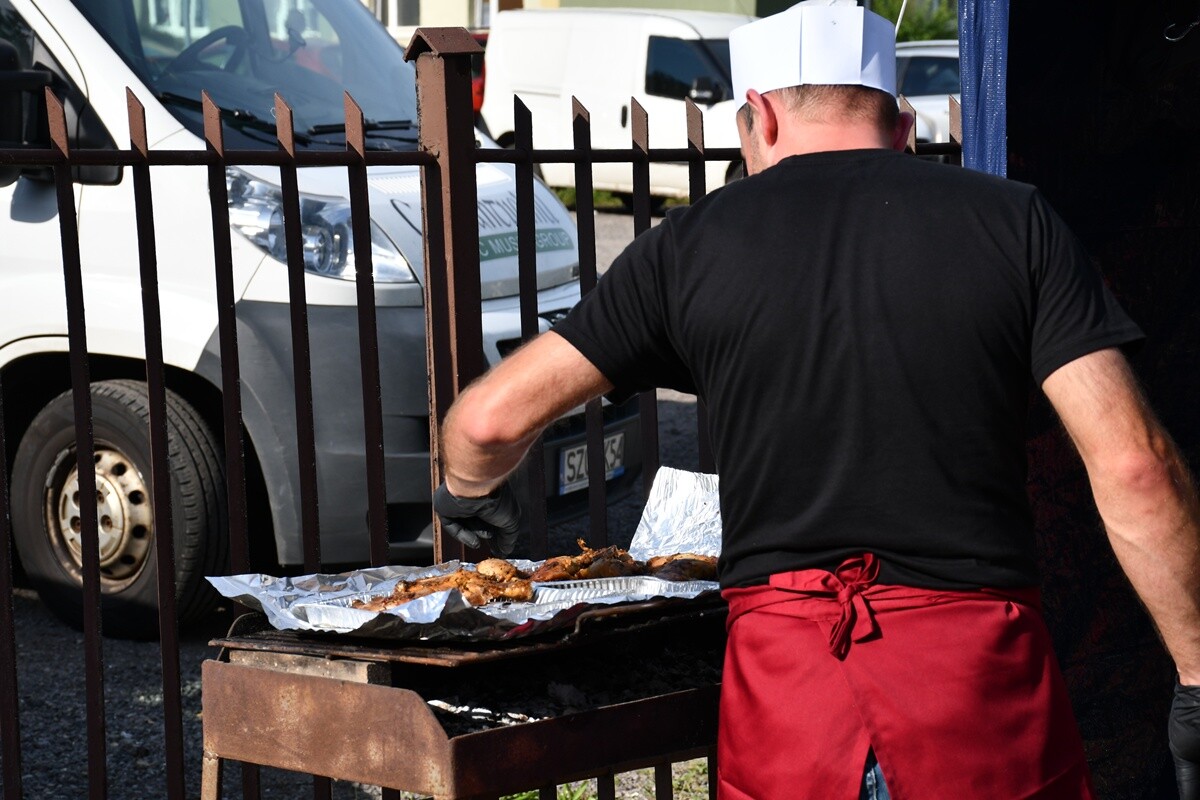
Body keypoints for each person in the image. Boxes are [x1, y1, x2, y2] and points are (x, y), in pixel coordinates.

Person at [431, 1, 1200, 797]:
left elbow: (486, 423)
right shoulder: (1018, 224)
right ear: (902, 127)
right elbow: (1136, 469)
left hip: (791, 713)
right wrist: (1196, 680)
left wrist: (469, 493)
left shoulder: (685, 250)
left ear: (759, 118)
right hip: (977, 705)